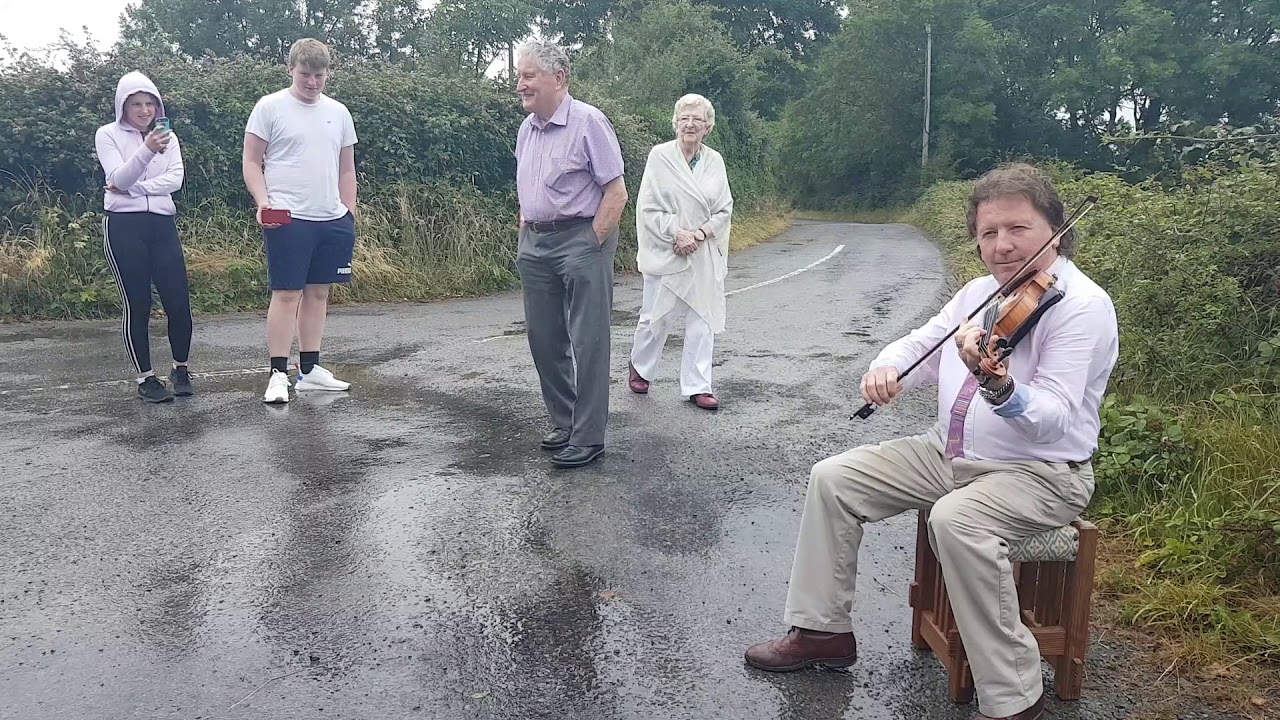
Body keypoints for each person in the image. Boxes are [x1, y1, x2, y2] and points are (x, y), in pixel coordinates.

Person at [743, 163, 1119, 720]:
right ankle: (823, 633)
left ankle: (1015, 696)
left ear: (1056, 227)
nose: (1002, 244)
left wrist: (997, 384)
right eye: (988, 233)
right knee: (834, 479)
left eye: (1018, 228)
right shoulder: (979, 292)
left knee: (956, 520)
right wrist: (885, 368)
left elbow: (1054, 420)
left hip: (1040, 474)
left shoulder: (1082, 307)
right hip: (951, 452)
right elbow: (921, 343)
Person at [513, 40, 628, 468]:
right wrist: (526, 225)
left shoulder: (588, 122)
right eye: (520, 76)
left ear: (558, 78)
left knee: (589, 340)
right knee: (544, 339)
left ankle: (589, 436)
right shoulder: (527, 129)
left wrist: (591, 242)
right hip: (536, 243)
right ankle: (564, 421)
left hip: (581, 239)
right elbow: (529, 186)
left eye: (528, 76)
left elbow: (616, 193)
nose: (519, 84)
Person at [243, 38, 358, 404]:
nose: (312, 82)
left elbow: (347, 168)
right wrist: (263, 202)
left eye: (319, 76)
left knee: (318, 293)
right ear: (290, 69)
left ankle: (309, 370)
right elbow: (251, 161)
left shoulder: (339, 112)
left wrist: (349, 213)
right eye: (305, 74)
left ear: (328, 74)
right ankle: (278, 373)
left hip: (331, 217)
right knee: (287, 293)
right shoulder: (269, 107)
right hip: (288, 218)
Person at [628, 93, 733, 410]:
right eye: (684, 118)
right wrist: (678, 232)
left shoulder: (714, 161)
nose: (690, 124)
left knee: (703, 317)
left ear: (708, 128)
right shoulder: (660, 156)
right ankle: (641, 367)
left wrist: (700, 234)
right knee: (654, 317)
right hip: (668, 248)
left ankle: (698, 385)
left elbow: (724, 209)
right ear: (675, 123)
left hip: (702, 250)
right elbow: (647, 208)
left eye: (697, 120)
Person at [95, 71, 194, 403]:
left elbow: (174, 180)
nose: (144, 110)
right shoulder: (107, 135)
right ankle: (145, 378)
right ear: (123, 106)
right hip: (124, 226)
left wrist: (132, 188)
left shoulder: (170, 137)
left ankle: (181, 368)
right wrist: (146, 152)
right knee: (138, 303)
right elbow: (118, 176)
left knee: (178, 301)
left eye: (150, 104)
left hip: (162, 224)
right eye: (136, 104)